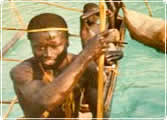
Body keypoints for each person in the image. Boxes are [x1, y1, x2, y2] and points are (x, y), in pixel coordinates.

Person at [10, 13, 122, 119]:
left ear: (67, 42)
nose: (48, 54)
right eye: (39, 48)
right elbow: (45, 101)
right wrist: (86, 54)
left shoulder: (87, 67)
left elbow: (99, 111)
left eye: (54, 46)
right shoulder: (21, 72)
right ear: (31, 45)